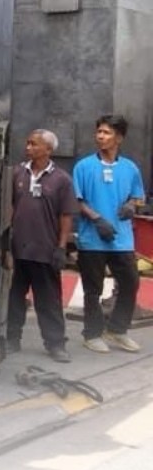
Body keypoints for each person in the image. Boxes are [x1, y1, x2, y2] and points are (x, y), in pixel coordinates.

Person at [73, 114, 145, 353]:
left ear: (119, 138)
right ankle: (92, 334)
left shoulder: (130, 168)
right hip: (92, 239)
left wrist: (131, 206)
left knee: (130, 283)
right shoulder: (84, 166)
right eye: (99, 132)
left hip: (122, 240)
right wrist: (97, 219)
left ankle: (117, 330)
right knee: (92, 290)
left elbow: (138, 197)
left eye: (106, 133)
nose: (101, 137)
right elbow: (77, 200)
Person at [6, 129, 76, 363]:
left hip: (44, 250)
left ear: (48, 149)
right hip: (18, 249)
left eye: (34, 144)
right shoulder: (17, 173)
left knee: (49, 301)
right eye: (27, 143)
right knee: (14, 299)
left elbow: (66, 215)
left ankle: (56, 344)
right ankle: (11, 339)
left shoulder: (61, 180)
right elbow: (10, 207)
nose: (28, 148)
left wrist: (61, 247)